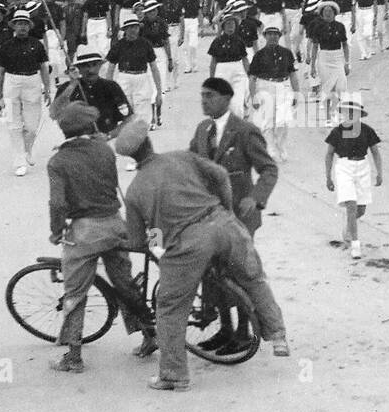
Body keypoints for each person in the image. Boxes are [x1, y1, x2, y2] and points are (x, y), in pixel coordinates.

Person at [117, 120, 289, 391]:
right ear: (149, 142)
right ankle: (277, 334)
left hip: (189, 244)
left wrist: (158, 239)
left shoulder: (135, 190)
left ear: (130, 156)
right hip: (224, 224)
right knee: (254, 277)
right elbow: (220, 174)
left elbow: (140, 242)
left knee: (170, 308)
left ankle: (174, 374)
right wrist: (225, 207)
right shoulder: (181, 157)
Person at [47, 103, 153, 371]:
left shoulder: (58, 161)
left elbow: (58, 204)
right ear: (90, 126)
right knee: (124, 283)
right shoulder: (104, 151)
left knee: (75, 292)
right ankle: (150, 333)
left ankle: (73, 357)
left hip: (85, 231)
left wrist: (56, 231)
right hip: (115, 225)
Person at [189, 77, 279, 238]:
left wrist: (255, 198)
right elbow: (189, 163)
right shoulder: (202, 129)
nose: (204, 101)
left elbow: (269, 169)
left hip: (239, 213)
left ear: (226, 99)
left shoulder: (245, 131)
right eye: (202, 96)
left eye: (209, 95)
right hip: (208, 214)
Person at [0, 9, 52, 176]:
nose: (22, 27)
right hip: (12, 83)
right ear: (14, 26)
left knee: (32, 126)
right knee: (14, 124)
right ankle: (19, 160)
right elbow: (0, 72)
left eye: (25, 24)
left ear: (29, 26)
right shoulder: (6, 46)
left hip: (32, 81)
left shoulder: (37, 44)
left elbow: (43, 68)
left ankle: (27, 150)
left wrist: (47, 89)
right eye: (19, 24)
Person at [325, 95, 383, 260]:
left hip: (363, 166)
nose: (350, 116)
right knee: (351, 204)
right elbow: (329, 154)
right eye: (347, 112)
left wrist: (379, 172)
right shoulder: (337, 132)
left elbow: (375, 152)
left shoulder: (367, 130)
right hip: (344, 167)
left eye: (354, 113)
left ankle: (349, 226)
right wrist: (328, 177)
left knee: (361, 209)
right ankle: (355, 245)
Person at [50, 46, 133, 136]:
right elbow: (54, 113)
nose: (90, 70)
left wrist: (109, 135)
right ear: (78, 68)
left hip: (105, 142)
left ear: (99, 65)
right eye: (85, 66)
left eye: (94, 65)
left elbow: (128, 118)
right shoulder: (67, 88)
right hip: (77, 144)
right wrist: (72, 85)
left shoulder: (111, 87)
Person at [247, 26, 300, 162]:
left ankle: (281, 147)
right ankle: (270, 149)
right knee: (268, 121)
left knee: (283, 120)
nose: (273, 37)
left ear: (279, 36)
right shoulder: (259, 55)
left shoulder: (287, 53)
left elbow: (292, 74)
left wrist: (296, 93)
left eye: (275, 35)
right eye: (269, 34)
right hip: (265, 86)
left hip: (283, 85)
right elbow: (252, 78)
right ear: (265, 36)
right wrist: (254, 97)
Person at [105, 16, 162, 131]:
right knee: (125, 111)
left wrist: (159, 92)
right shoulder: (119, 45)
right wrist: (109, 90)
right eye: (130, 27)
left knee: (143, 111)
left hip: (142, 77)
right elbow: (110, 68)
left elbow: (154, 68)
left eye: (135, 27)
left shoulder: (145, 44)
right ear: (125, 30)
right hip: (124, 78)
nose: (133, 30)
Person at [309, 0, 351, 122]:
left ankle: (337, 110)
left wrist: (347, 63)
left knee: (341, 86)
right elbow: (315, 46)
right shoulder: (318, 27)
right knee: (329, 87)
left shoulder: (340, 26)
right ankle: (329, 117)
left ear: (334, 13)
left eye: (330, 11)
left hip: (337, 57)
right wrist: (312, 66)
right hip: (324, 57)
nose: (328, 14)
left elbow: (345, 45)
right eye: (325, 11)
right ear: (322, 13)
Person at [207, 8, 251, 117]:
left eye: (233, 24)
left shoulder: (239, 41)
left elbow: (245, 59)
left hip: (237, 71)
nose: (230, 26)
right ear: (223, 26)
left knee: (237, 104)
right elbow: (213, 63)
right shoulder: (217, 41)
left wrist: (249, 75)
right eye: (228, 24)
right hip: (222, 71)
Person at [179, 0, 202, 73]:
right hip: (184, 21)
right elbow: (179, 14)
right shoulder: (181, 1)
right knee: (185, 46)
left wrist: (201, 26)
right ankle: (187, 66)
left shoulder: (196, 0)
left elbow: (200, 13)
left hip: (193, 21)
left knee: (193, 44)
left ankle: (194, 64)